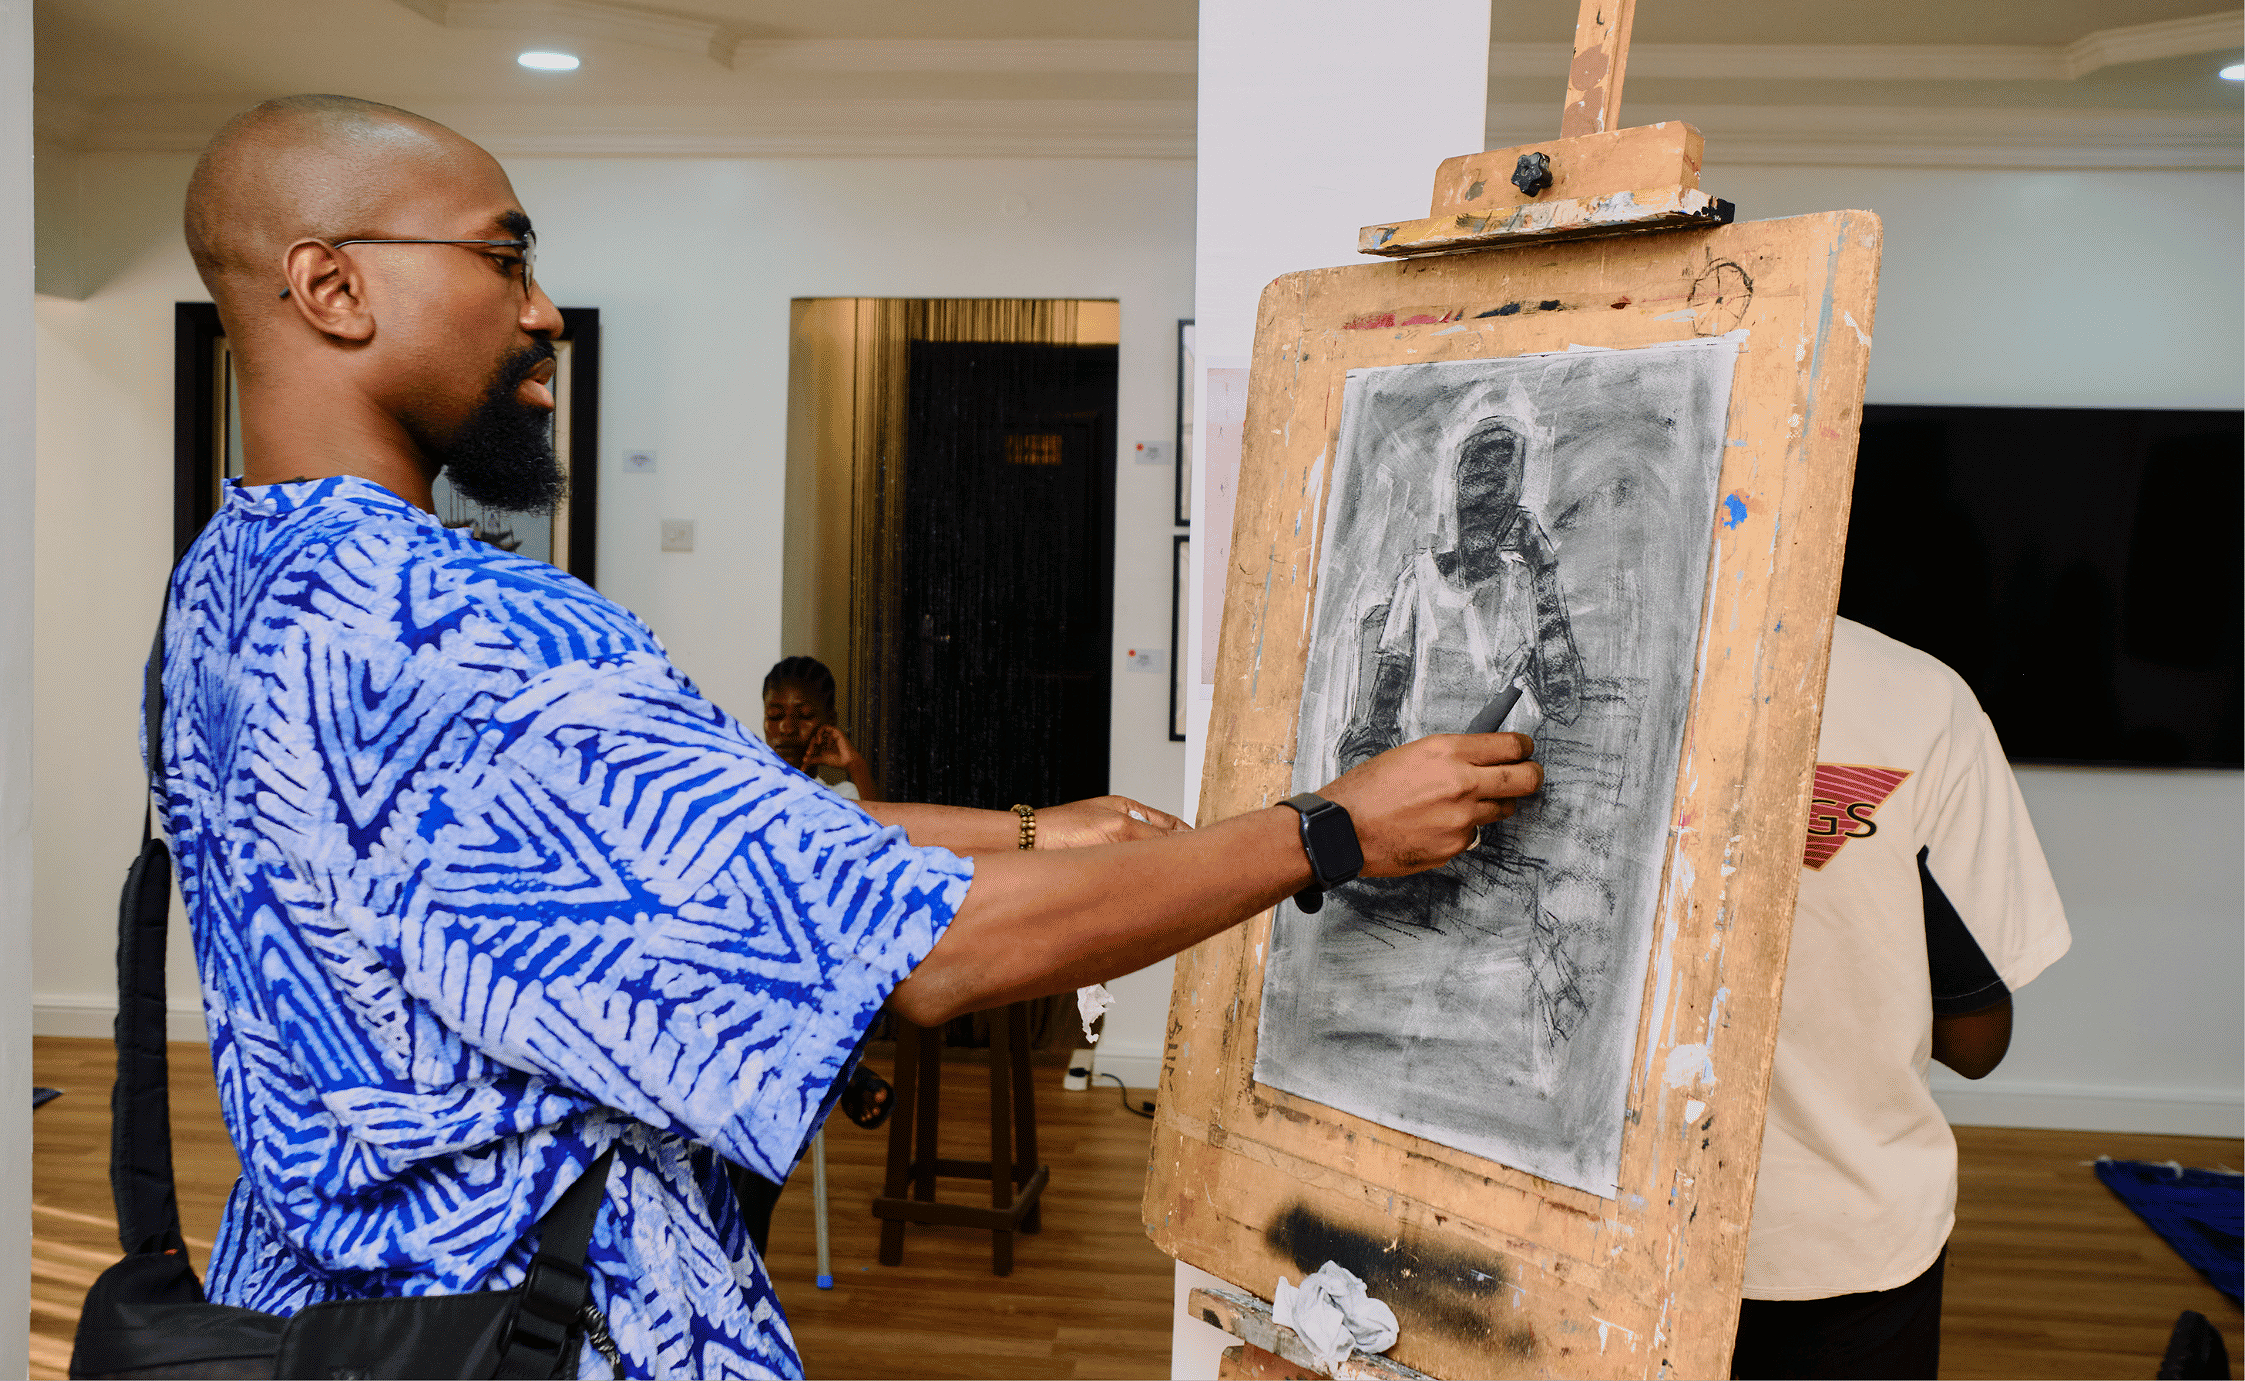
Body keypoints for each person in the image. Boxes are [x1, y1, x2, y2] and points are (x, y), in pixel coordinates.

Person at [164, 93, 1545, 1379]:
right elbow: (936, 957)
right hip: (543, 1328)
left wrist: (1017, 828)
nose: (542, 311)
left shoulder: (230, 588)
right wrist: (1330, 830)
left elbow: (658, 850)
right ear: (329, 286)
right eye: (503, 256)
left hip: (317, 1315)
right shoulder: (468, 629)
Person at [1732, 617, 2071, 1380]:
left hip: (1575, 1221)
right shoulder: (1918, 697)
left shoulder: (1535, 668)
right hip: (1837, 1241)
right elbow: (1976, 1040)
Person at [1335, 414, 1584, 771]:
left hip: (1497, 783)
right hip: (1429, 777)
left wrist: (1544, 569)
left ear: (1514, 496)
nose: (1484, 497)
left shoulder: (1523, 581)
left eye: (1499, 482)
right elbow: (1382, 714)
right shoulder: (1419, 579)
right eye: (1476, 479)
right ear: (1457, 487)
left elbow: (1564, 704)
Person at [761, 655, 876, 801]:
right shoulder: (743, 791)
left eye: (804, 716)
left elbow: (878, 822)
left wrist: (856, 766)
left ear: (830, 721)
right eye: (774, 716)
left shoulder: (843, 797)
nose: (787, 728)